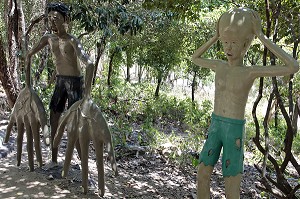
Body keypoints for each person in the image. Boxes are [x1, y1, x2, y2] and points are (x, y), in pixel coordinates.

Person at [192, 8, 299, 199]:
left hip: (233, 130)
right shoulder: (219, 66)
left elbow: (292, 65)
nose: (228, 48)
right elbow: (195, 58)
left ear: (245, 45)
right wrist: (215, 37)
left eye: (234, 43)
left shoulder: (250, 71)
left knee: (231, 184)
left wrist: (261, 36)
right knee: (202, 174)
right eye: (225, 43)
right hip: (216, 125)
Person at [25, 2, 94, 163]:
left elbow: (89, 63)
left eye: (56, 18)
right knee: (54, 118)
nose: (52, 21)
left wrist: (88, 95)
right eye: (50, 18)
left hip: (75, 84)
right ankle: (54, 160)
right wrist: (28, 86)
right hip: (60, 82)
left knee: (75, 124)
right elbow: (29, 55)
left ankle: (83, 164)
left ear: (66, 19)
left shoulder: (72, 41)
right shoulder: (48, 39)